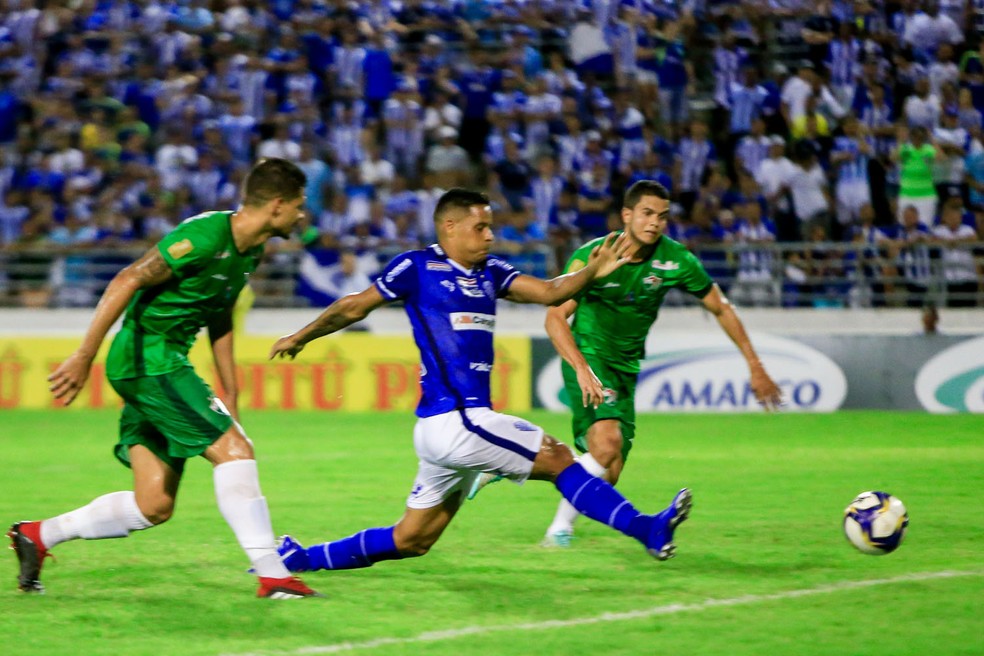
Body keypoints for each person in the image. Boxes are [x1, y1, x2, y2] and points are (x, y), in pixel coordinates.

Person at [269, 188, 693, 574]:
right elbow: (353, 306)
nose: (490, 236)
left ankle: (299, 557)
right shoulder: (417, 267)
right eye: (481, 227)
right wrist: (301, 336)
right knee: (560, 458)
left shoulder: (491, 271)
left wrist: (590, 273)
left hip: (447, 430)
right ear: (450, 227)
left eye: (491, 226)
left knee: (412, 539)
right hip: (457, 420)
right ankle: (646, 529)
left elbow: (548, 292)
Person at [7, 158, 320, 599]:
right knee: (235, 451)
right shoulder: (205, 236)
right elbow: (128, 277)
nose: (303, 216)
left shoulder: (251, 248)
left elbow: (220, 311)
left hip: (160, 362)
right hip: (150, 359)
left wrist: (230, 387)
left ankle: (39, 535)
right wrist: (83, 355)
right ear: (276, 205)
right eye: (299, 206)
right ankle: (273, 574)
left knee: (153, 505)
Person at [475, 181, 783, 547]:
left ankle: (515, 460)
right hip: (588, 357)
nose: (655, 223)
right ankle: (558, 532)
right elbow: (554, 318)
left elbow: (720, 306)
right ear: (627, 215)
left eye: (663, 216)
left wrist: (755, 365)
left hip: (625, 368)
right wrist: (580, 368)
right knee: (606, 444)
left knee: (608, 469)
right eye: (647, 213)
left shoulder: (676, 259)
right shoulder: (595, 255)